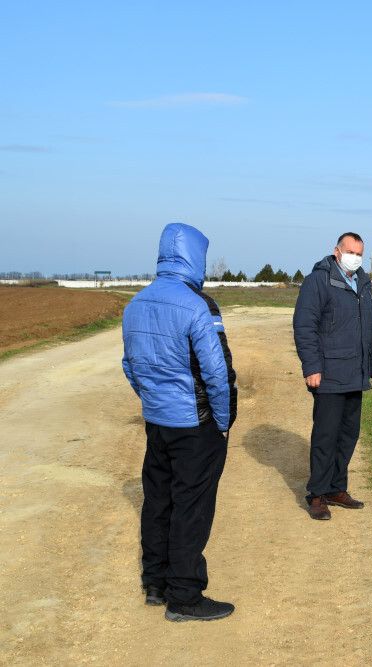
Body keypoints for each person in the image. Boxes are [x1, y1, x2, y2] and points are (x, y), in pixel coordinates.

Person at [121, 222, 238, 622]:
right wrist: (223, 421)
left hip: (157, 421)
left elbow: (130, 365)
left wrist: (152, 401)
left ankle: (155, 582)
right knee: (191, 506)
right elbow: (217, 372)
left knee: (158, 500)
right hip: (196, 424)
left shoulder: (136, 303)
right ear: (196, 257)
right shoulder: (197, 305)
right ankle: (185, 596)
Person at [293, 232, 372, 521]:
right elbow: (304, 326)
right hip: (329, 374)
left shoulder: (363, 284)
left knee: (348, 435)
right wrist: (312, 367)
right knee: (326, 435)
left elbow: (371, 327)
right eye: (350, 252)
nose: (355, 257)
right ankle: (318, 494)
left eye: (359, 253)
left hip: (355, 373)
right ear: (336, 251)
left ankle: (336, 488)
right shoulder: (318, 281)